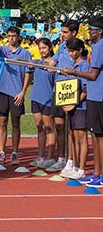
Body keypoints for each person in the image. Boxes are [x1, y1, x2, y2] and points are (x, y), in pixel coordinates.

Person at [65, 16, 103, 187]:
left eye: (92, 30)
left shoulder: (100, 46)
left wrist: (74, 73)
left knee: (99, 137)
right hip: (95, 97)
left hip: (98, 97)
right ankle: (97, 172)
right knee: (95, 135)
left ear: (99, 31)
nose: (89, 32)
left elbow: (93, 75)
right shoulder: (96, 46)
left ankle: (100, 174)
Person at [0, 26, 32, 165]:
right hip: (2, 91)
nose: (11, 38)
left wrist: (22, 92)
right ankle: (2, 152)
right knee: (2, 122)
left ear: (18, 36)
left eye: (14, 36)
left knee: (16, 123)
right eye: (9, 36)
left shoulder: (25, 53)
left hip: (17, 93)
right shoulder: (3, 50)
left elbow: (27, 73)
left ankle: (14, 152)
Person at [46, 20, 80, 172]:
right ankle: (61, 159)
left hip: (72, 90)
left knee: (72, 128)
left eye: (65, 32)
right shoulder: (60, 47)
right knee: (59, 126)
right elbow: (51, 64)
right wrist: (37, 63)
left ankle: (72, 160)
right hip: (58, 89)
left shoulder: (81, 49)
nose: (62, 34)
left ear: (73, 33)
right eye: (62, 31)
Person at [59, 38, 89, 179]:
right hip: (71, 106)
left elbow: (86, 89)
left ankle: (82, 169)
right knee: (73, 137)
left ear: (80, 50)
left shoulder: (85, 67)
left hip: (81, 107)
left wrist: (74, 103)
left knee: (81, 137)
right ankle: (76, 166)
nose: (70, 54)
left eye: (72, 51)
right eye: (69, 51)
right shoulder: (72, 66)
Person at [29, 38, 56, 169]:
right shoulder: (37, 62)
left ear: (50, 48)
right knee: (40, 128)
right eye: (40, 48)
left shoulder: (54, 65)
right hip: (35, 99)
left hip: (48, 100)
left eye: (44, 48)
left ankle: (50, 157)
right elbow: (24, 62)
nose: (42, 51)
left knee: (49, 129)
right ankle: (41, 156)